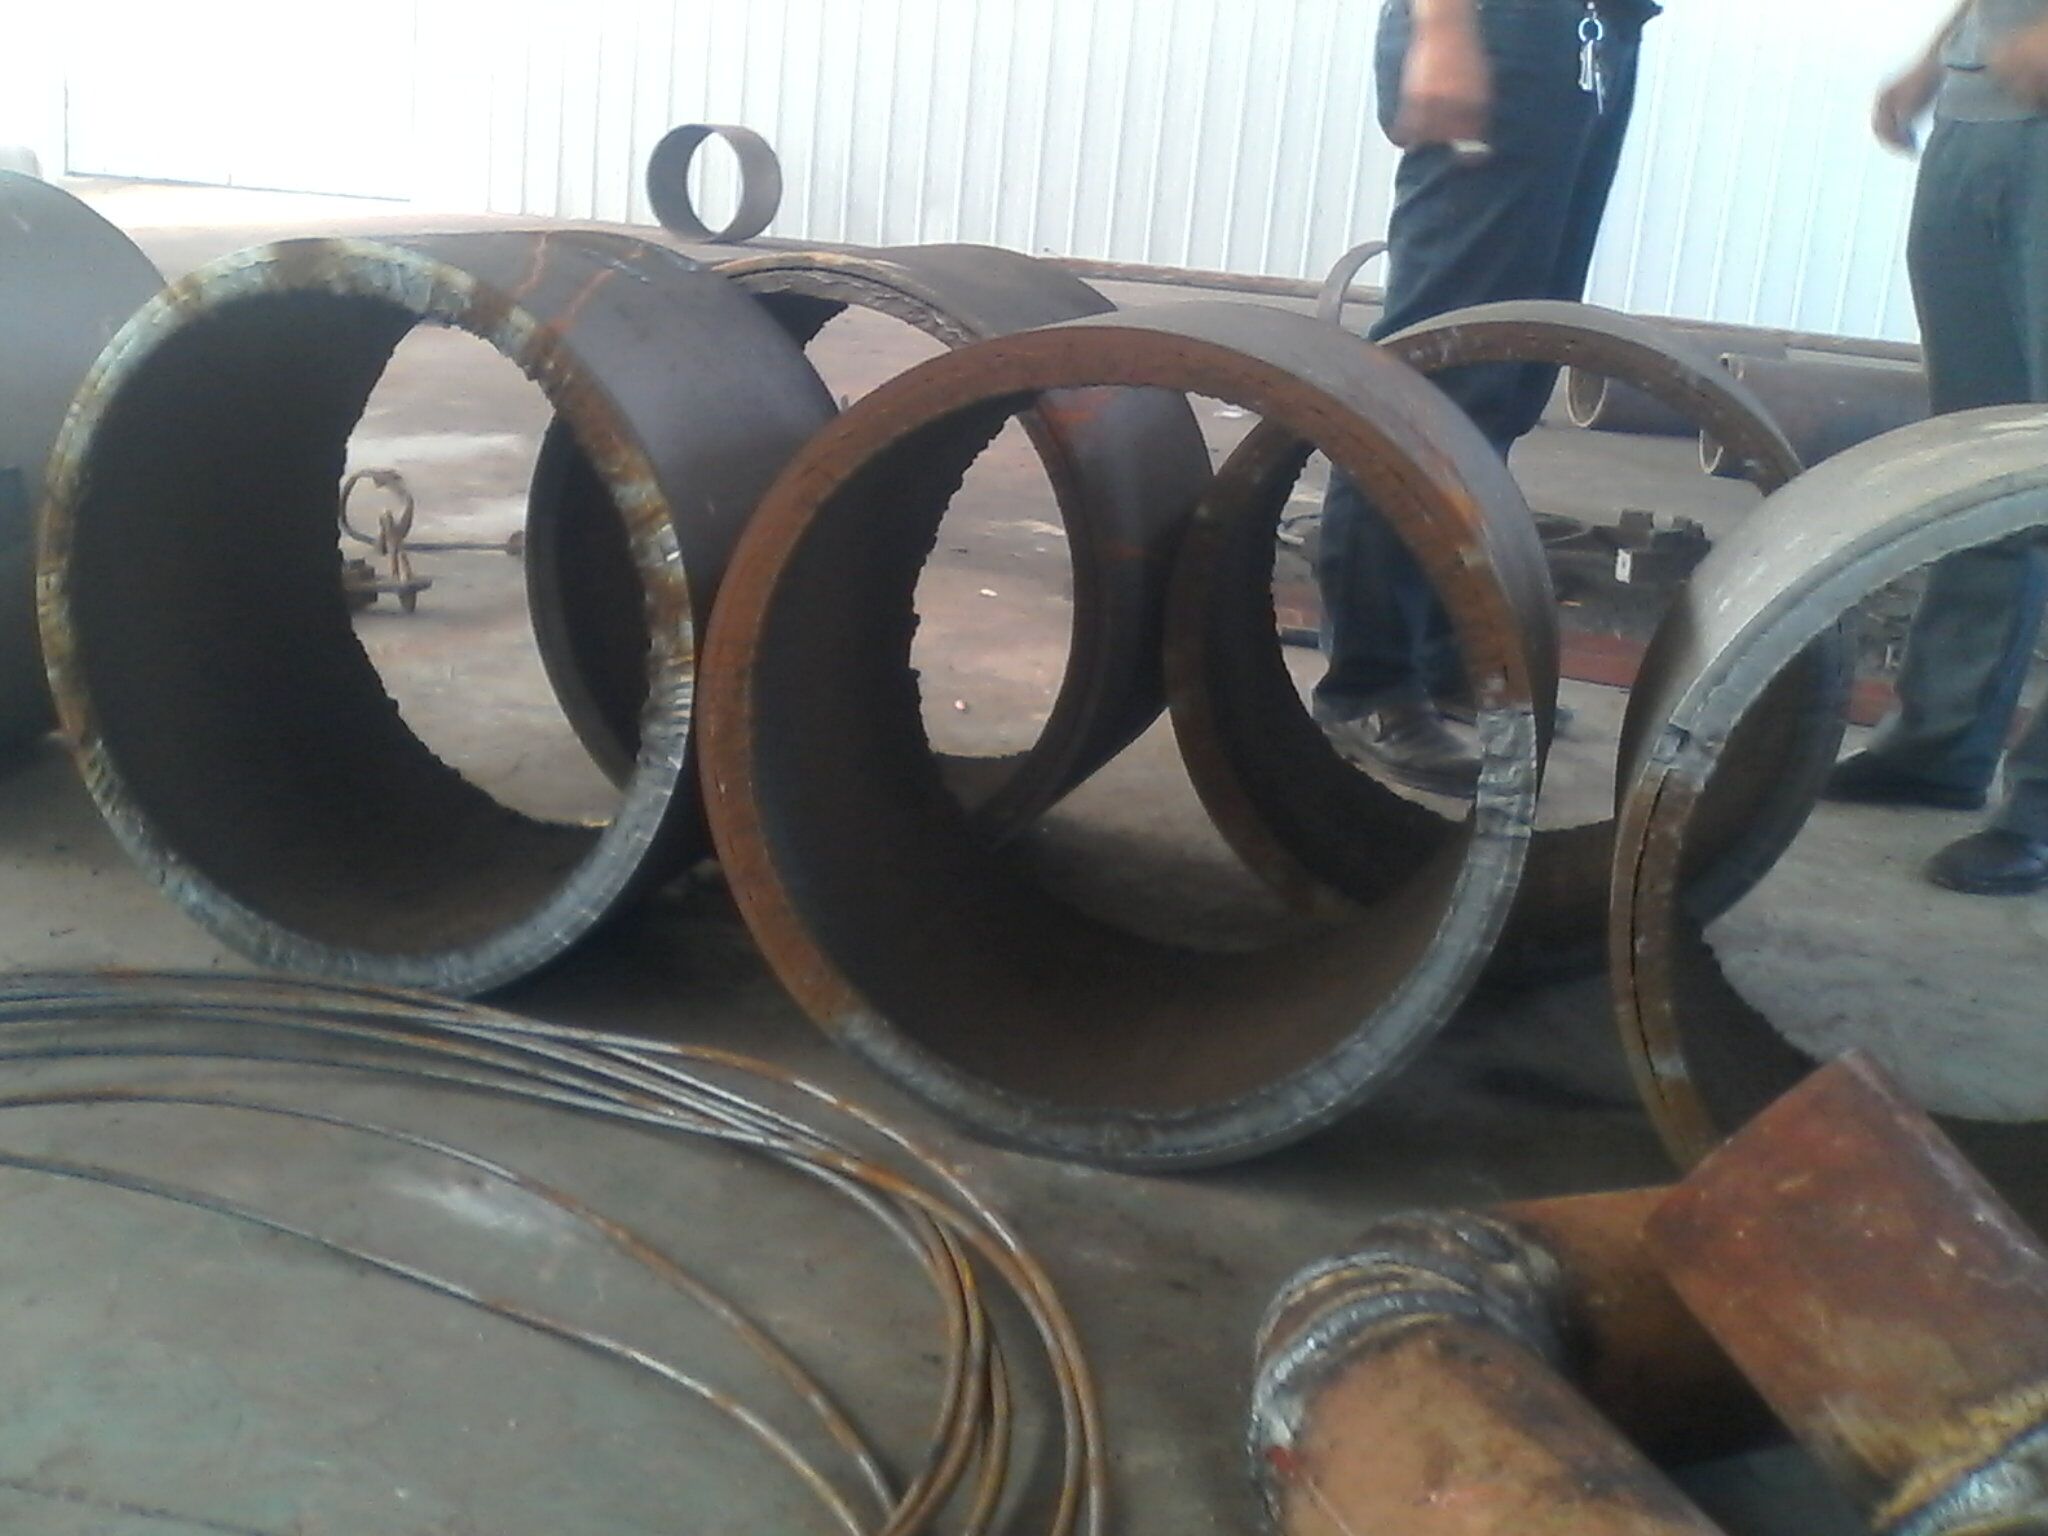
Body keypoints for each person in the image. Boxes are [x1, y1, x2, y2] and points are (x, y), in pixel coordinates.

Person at [1314, 0, 1660, 795]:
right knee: (1435, 376)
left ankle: (1438, 652)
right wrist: (1443, 26)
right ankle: (1371, 683)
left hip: (1595, 33)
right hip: (1504, 27)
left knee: (1504, 376)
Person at [1822, 0, 2048, 895]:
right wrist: (1940, 57)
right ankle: (1939, 745)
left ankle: (2040, 812)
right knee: (1982, 462)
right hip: (1981, 115)